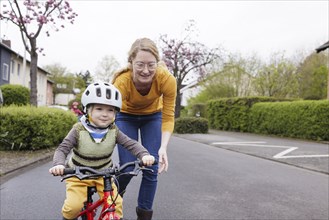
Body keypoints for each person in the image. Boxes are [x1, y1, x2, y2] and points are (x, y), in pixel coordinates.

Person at [49, 82, 155, 220]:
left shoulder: (113, 131)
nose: (105, 114)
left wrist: (144, 154)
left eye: (110, 110)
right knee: (72, 208)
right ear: (88, 110)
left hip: (103, 175)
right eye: (99, 109)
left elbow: (131, 144)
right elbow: (62, 149)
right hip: (77, 175)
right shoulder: (78, 129)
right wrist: (59, 164)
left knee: (116, 204)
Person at [112, 37, 177, 219]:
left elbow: (168, 116)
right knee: (127, 168)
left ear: (157, 63)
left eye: (151, 65)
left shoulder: (166, 80)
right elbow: (109, 114)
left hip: (152, 117)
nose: (146, 70)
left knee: (151, 167)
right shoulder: (122, 82)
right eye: (140, 64)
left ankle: (144, 214)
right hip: (125, 116)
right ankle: (113, 202)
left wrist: (163, 148)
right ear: (131, 63)